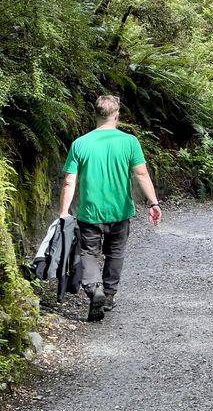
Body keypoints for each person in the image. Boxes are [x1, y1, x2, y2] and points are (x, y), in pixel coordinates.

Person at [58, 95, 162, 322]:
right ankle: (108, 295)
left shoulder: (80, 144)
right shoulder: (130, 142)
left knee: (88, 253)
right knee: (115, 253)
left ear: (95, 114)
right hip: (120, 211)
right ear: (117, 115)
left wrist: (64, 212)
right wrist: (153, 203)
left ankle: (94, 289)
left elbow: (69, 181)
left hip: (90, 212)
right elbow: (142, 174)